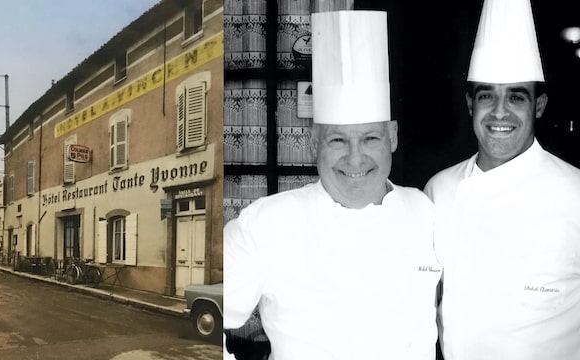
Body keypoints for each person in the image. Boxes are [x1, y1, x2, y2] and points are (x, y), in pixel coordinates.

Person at [223, 11, 441, 360]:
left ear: (393, 137)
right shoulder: (267, 223)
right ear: (313, 144)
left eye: (370, 138)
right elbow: (199, 318)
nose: (355, 160)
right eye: (338, 140)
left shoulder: (425, 210)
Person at [424, 0, 580, 358]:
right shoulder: (439, 190)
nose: (499, 112)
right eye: (486, 96)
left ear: (538, 106)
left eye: (516, 97)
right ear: (469, 104)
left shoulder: (576, 193)